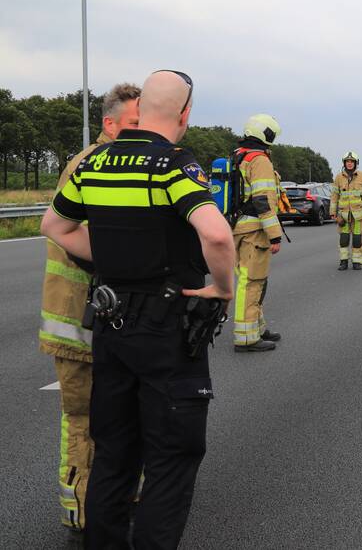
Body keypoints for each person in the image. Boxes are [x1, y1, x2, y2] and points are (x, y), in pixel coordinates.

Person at [40, 69, 236, 549]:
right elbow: (215, 233)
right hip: (164, 325)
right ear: (184, 113)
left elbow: (55, 226)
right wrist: (223, 288)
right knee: (171, 455)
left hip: (110, 323)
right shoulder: (171, 164)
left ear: (143, 106)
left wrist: (110, 254)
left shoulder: (96, 164)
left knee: (113, 453)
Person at [39, 83, 140, 535]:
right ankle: (80, 510)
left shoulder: (124, 163)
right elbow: (68, 232)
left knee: (122, 412)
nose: (144, 133)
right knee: (84, 417)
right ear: (110, 124)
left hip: (107, 315)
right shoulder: (91, 165)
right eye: (135, 124)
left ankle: (117, 497)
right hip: (79, 320)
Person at [231, 114, 283, 351]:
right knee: (252, 281)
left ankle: (257, 328)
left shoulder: (238, 155)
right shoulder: (259, 160)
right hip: (254, 229)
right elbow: (263, 200)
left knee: (252, 280)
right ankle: (246, 338)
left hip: (236, 226)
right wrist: (274, 234)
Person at [330, 151, 362, 270]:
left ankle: (357, 262)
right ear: (344, 163)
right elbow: (334, 195)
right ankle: (343, 262)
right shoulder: (339, 177)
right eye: (347, 161)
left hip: (358, 215)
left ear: (356, 163)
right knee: (343, 239)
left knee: (357, 239)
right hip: (343, 214)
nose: (349, 164)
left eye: (352, 162)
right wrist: (333, 212)